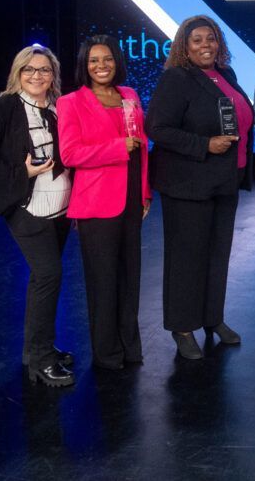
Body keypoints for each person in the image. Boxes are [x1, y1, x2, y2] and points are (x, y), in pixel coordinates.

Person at [146, 15, 254, 360]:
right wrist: (204, 145)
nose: (206, 45)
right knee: (186, 259)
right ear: (184, 46)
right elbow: (157, 129)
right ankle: (182, 327)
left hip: (224, 181)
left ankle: (212, 319)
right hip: (188, 184)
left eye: (211, 39)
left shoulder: (227, 76)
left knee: (218, 256)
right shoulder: (176, 79)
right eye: (197, 40)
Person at [0, 45, 75, 386]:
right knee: (49, 276)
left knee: (44, 280)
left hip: (62, 206)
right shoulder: (5, 107)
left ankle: (36, 349)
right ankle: (41, 362)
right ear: (18, 73)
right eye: (29, 69)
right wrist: (20, 173)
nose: (36, 75)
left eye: (44, 70)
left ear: (53, 75)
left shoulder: (60, 107)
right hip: (27, 206)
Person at [57, 35, 150, 369]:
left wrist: (144, 193)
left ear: (117, 62)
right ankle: (107, 353)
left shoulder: (130, 96)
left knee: (130, 277)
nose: (101, 66)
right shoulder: (71, 102)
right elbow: (69, 154)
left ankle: (130, 347)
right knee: (103, 280)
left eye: (107, 59)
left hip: (131, 199)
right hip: (96, 203)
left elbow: (140, 148)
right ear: (85, 65)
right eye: (94, 60)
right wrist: (115, 148)